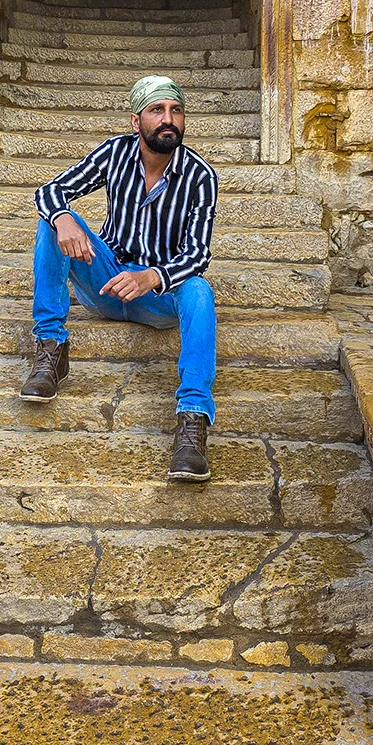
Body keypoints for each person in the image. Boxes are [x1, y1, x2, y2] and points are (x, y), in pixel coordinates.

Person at [25, 74, 219, 482]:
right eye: (157, 110)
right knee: (52, 221)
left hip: (156, 295)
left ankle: (192, 422)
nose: (168, 119)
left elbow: (198, 254)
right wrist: (63, 219)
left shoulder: (201, 176)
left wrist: (153, 277)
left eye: (176, 110)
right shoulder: (115, 153)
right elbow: (49, 191)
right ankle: (51, 349)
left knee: (199, 290)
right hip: (107, 281)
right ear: (136, 122)